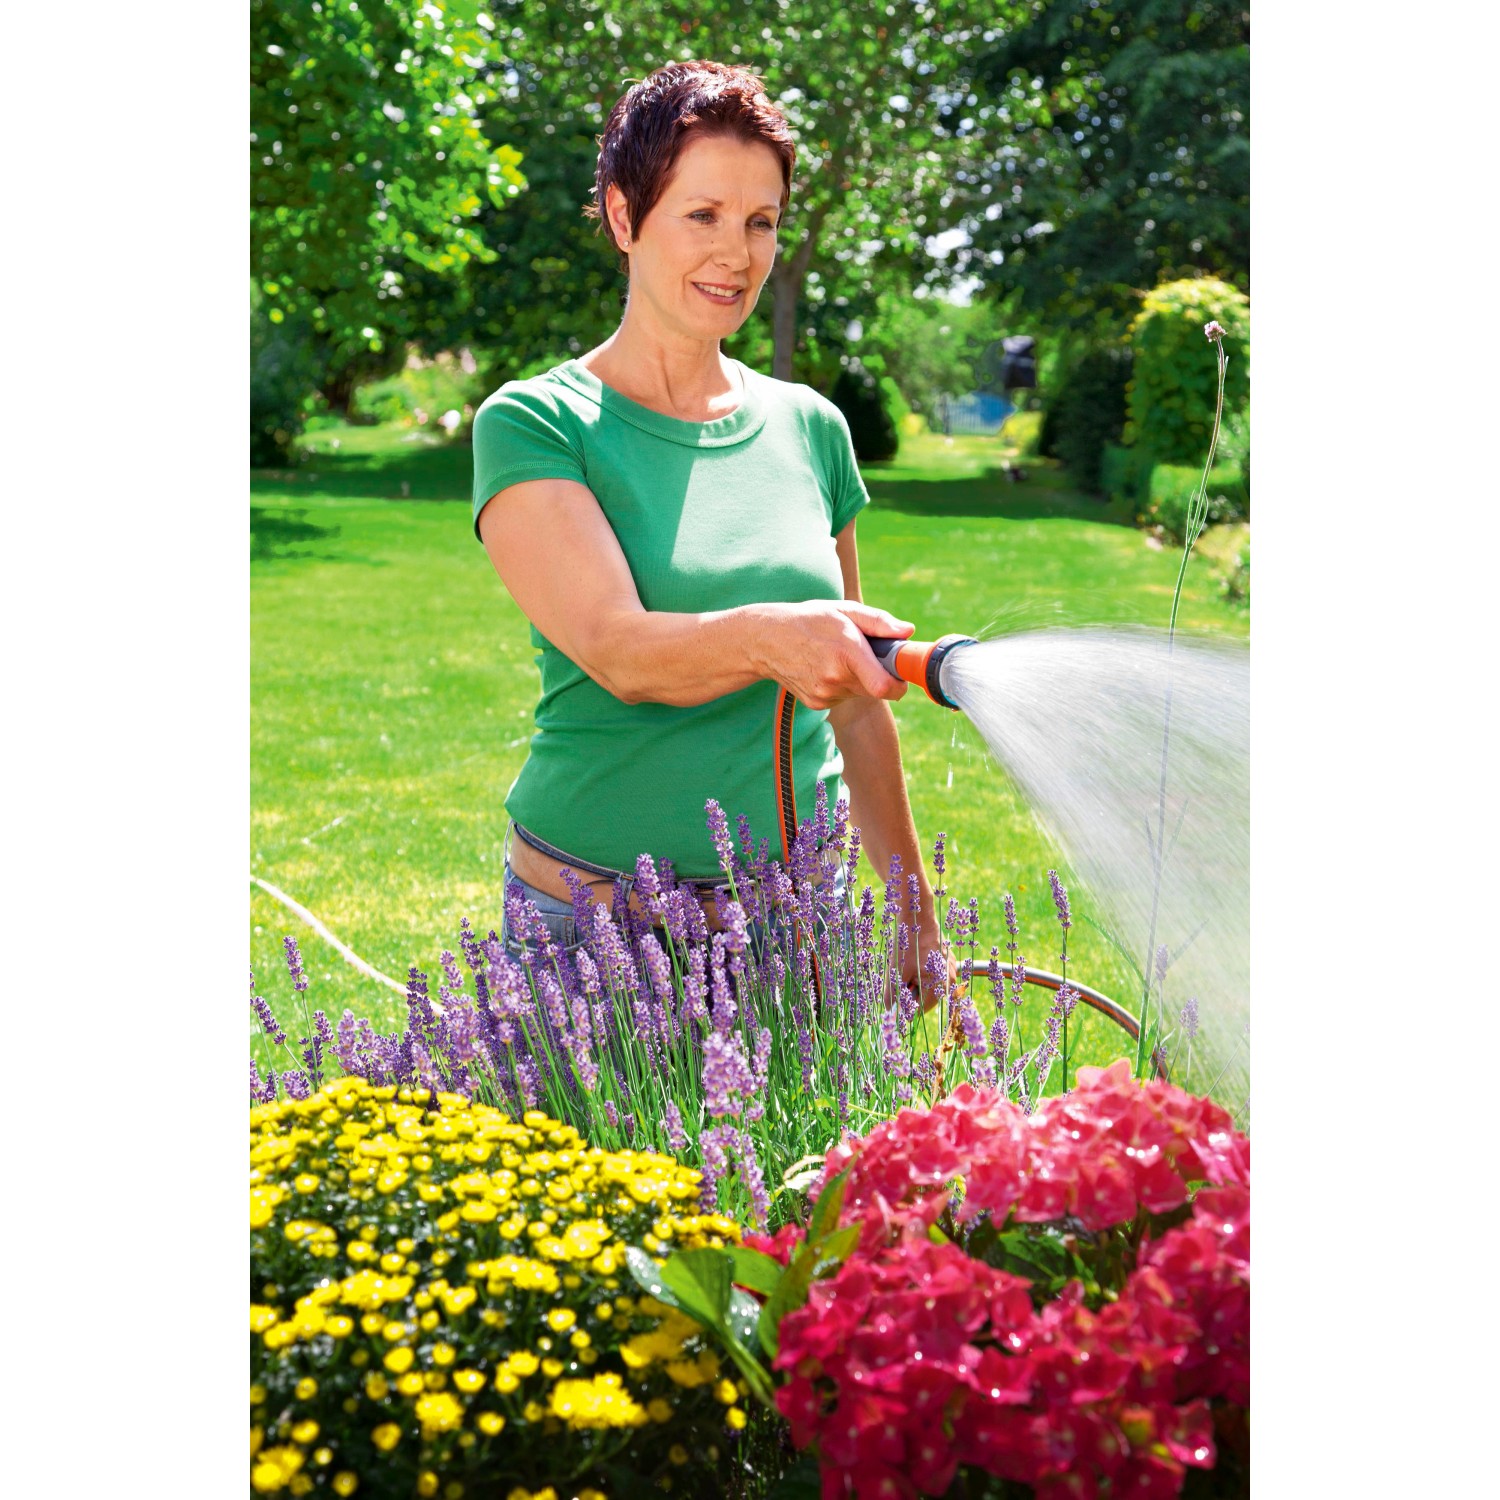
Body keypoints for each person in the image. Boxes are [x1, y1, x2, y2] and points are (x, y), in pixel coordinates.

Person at [471, 60, 954, 1002]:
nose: (736, 253)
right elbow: (620, 652)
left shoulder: (811, 425)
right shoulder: (538, 424)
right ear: (623, 217)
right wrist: (773, 638)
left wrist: (912, 907)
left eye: (760, 221)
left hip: (793, 922)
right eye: (702, 215)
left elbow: (854, 695)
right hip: (591, 933)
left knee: (807, 1160)